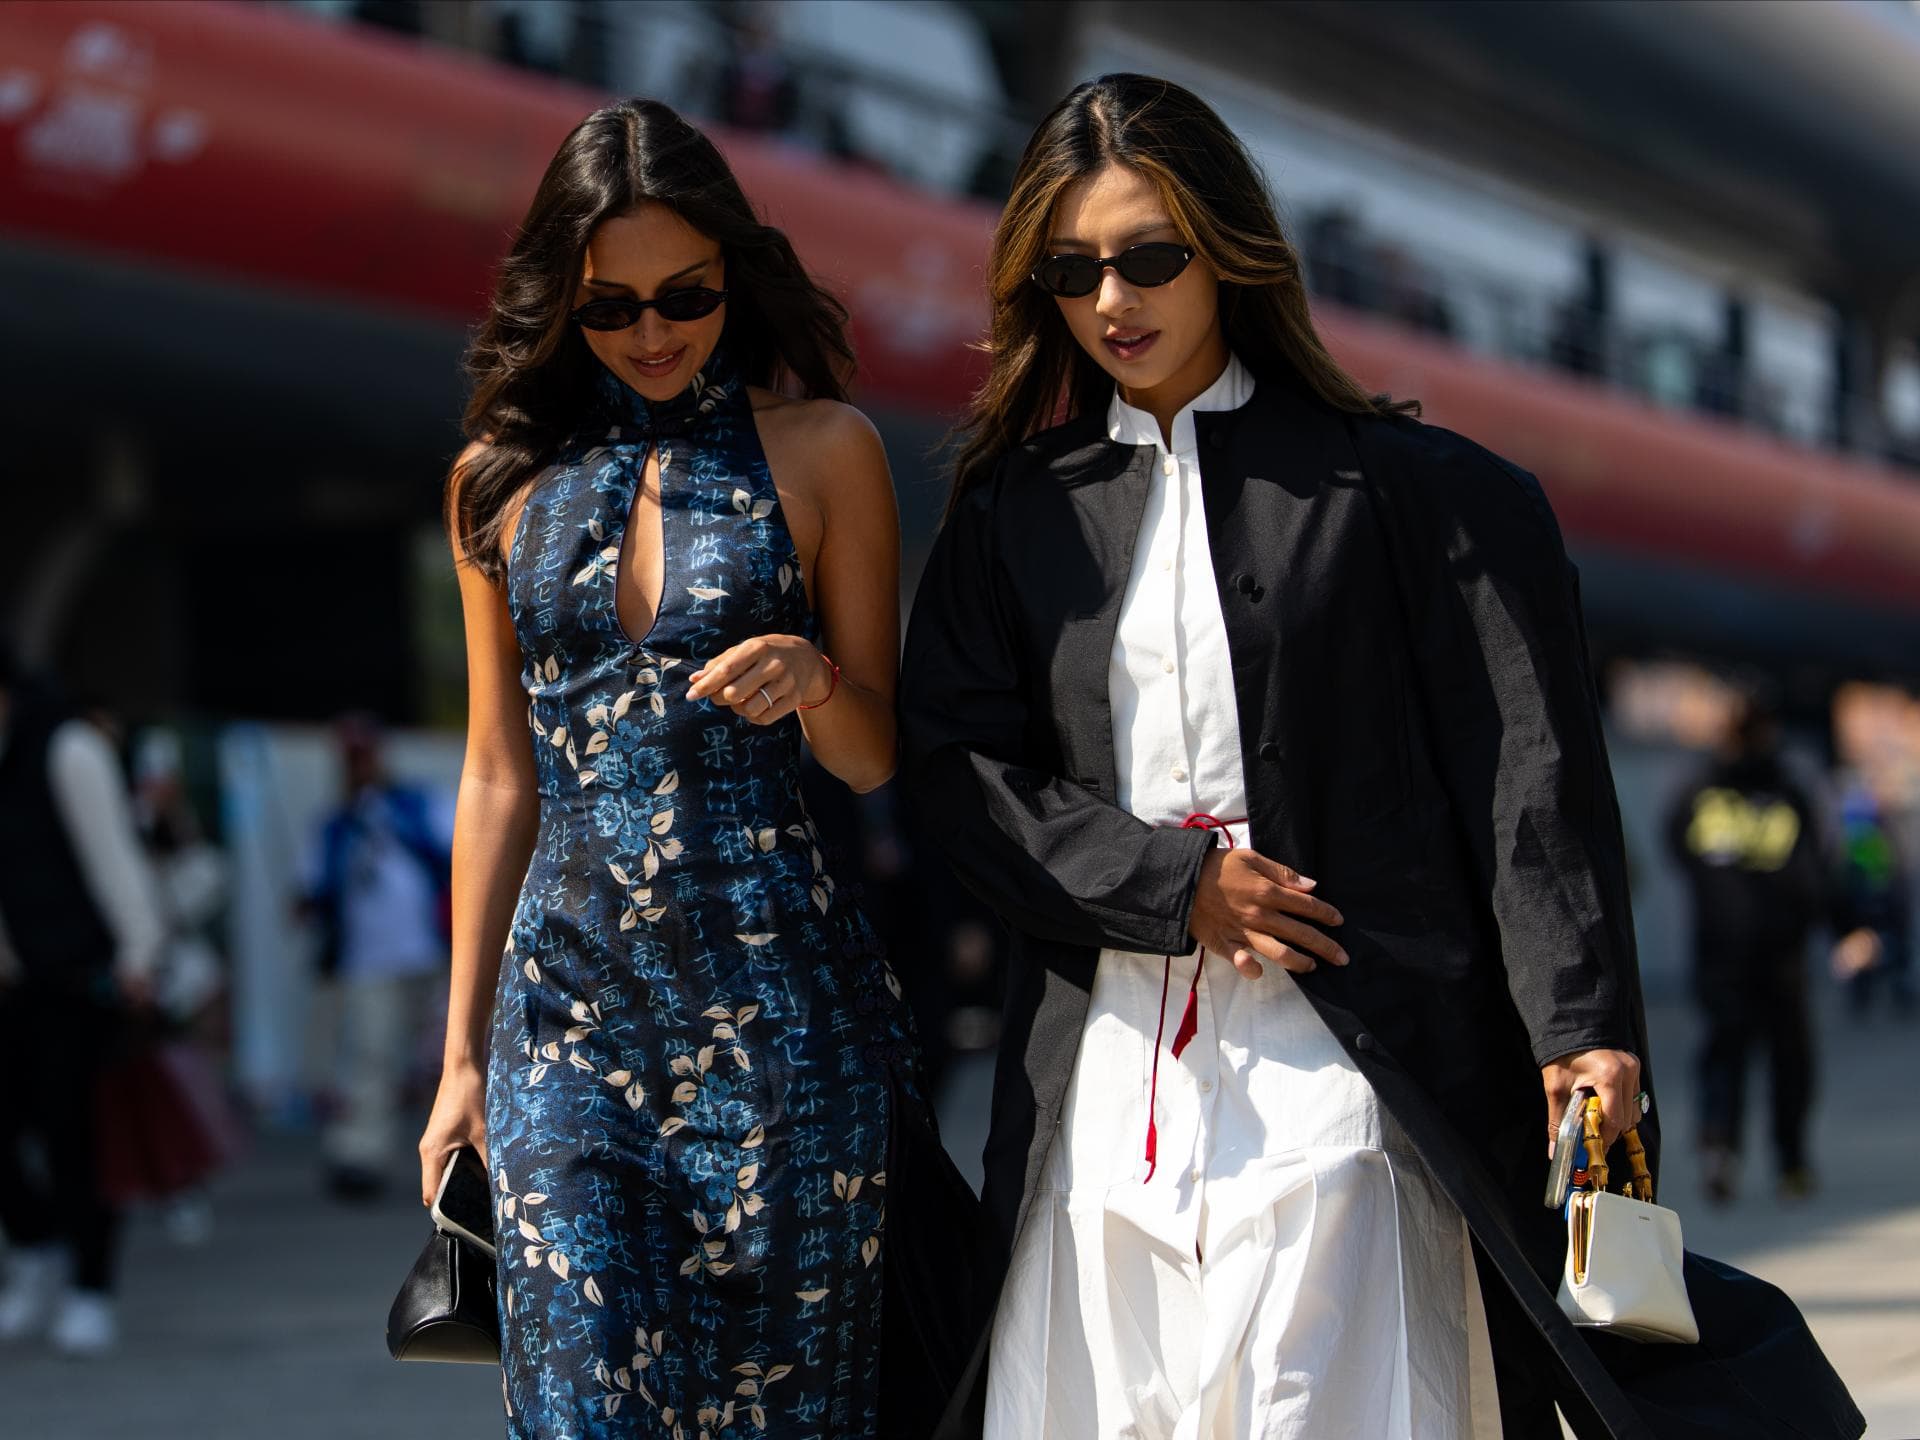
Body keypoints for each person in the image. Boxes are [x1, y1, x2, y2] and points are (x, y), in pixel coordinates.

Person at [900, 74, 1659, 1437]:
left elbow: (1526, 769)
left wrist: (1581, 1021)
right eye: (1072, 270)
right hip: (1106, 1075)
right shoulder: (1014, 514)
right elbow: (956, 773)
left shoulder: (1418, 493)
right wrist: (1170, 884)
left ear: (1228, 250)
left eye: (1150, 257)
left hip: (1354, 1066)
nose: (1113, 299)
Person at [418, 98, 930, 1439]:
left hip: (785, 1031)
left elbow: (874, 758)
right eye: (610, 307)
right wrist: (459, 1057)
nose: (652, 332)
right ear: (561, 302)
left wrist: (818, 681)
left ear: (734, 276)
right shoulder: (495, 483)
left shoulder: (829, 451)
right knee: (582, 1412)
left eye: (685, 296)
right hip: (566, 1027)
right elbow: (496, 776)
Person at [0, 647, 167, 1356]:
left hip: (77, 981)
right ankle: (35, 1250)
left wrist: (140, 953)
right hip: (11, 985)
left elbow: (113, 856)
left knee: (78, 1138)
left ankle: (90, 1287)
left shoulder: (67, 746)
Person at [1665, 693, 1868, 1203]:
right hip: (1741, 954)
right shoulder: (1715, 789)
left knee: (1770, 1059)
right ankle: (1734, 1152)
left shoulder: (1770, 790)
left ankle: (1774, 1157)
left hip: (1764, 954)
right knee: (1741, 1056)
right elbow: (1677, 847)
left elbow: (1818, 866)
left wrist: (1846, 927)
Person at [301, 713, 452, 1201]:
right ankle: (361, 1154)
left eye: (364, 756)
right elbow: (312, 891)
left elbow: (457, 856)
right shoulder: (333, 826)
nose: (359, 767)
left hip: (431, 953)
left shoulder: (417, 805)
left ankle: (461, 1160)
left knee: (446, 1058)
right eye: (351, 759)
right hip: (368, 961)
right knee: (371, 1057)